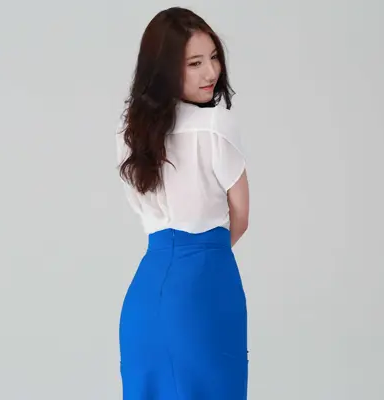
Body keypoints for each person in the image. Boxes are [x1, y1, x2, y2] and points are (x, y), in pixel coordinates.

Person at [115, 6, 250, 399]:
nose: (211, 72)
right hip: (205, 290)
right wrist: (205, 254)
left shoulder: (129, 133)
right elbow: (240, 216)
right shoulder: (216, 125)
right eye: (195, 63)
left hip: (146, 294)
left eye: (214, 58)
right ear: (164, 70)